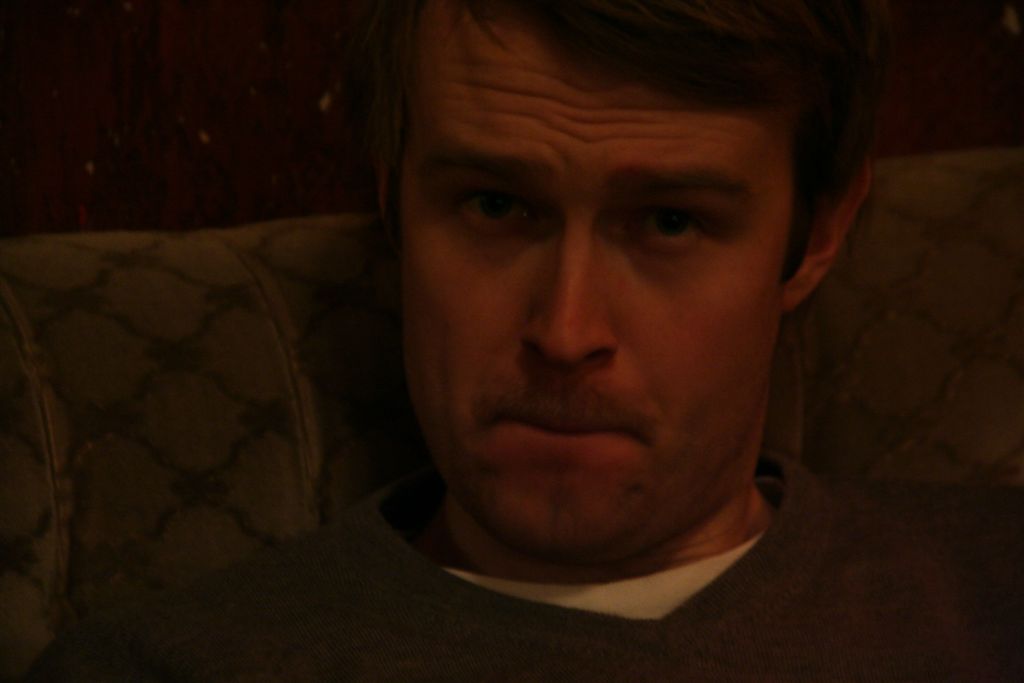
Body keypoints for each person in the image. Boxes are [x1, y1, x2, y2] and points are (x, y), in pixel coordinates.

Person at [28, 0, 1024, 680]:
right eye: (496, 205)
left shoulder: (992, 591)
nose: (565, 331)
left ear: (819, 232)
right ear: (392, 199)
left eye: (670, 221)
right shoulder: (169, 665)